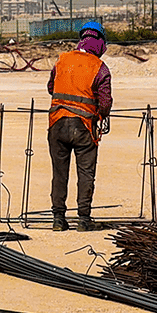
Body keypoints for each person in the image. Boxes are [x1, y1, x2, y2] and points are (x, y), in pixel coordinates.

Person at [47, 22, 112, 232]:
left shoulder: (62, 60)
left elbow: (50, 87)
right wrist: (100, 114)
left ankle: (58, 219)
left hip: (57, 124)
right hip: (84, 127)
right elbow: (105, 103)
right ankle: (84, 220)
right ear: (100, 43)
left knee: (59, 173)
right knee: (86, 174)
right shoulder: (99, 67)